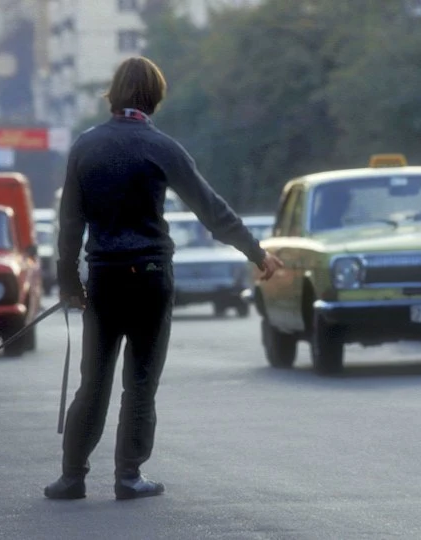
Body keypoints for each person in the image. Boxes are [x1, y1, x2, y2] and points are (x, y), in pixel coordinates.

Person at [45, 56, 284, 501]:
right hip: (151, 278)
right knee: (140, 382)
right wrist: (257, 252)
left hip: (103, 278)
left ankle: (72, 477)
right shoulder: (163, 148)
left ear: (113, 95)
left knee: (93, 379)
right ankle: (129, 476)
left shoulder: (85, 146)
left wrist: (67, 284)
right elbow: (211, 210)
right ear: (155, 97)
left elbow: (69, 224)